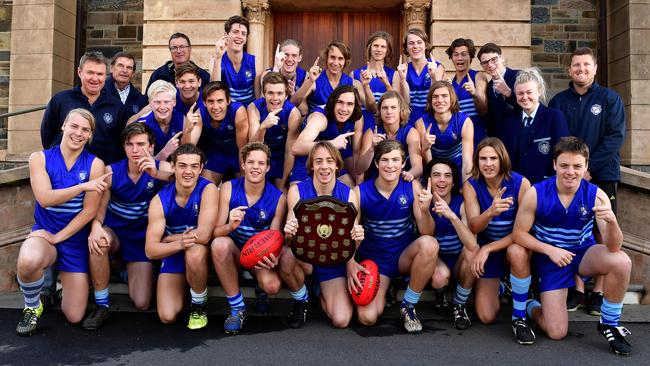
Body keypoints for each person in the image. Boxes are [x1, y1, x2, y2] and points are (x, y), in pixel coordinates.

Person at [513, 136, 632, 356]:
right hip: (550, 259)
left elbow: (614, 247)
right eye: (565, 165)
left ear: (586, 167)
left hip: (582, 253)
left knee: (622, 261)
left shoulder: (596, 195)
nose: (570, 172)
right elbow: (519, 234)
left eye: (577, 166)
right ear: (555, 165)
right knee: (556, 332)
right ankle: (531, 304)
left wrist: (613, 223)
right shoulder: (536, 193)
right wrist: (550, 250)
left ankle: (610, 324)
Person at [16, 109, 107, 336]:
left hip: (73, 238)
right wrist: (81, 187)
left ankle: (60, 287)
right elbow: (45, 198)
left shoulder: (95, 165)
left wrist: (59, 238)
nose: (78, 133)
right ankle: (32, 305)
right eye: (74, 126)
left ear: (90, 135)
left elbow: (88, 212)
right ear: (63, 127)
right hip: (45, 231)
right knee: (28, 260)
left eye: (85, 130)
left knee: (74, 315)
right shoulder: (40, 158)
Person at [549, 47, 625, 314]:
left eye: (586, 65)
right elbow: (557, 140)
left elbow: (615, 138)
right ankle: (577, 289)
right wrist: (571, 169)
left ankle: (598, 292)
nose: (581, 70)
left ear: (594, 68)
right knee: (573, 230)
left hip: (601, 176)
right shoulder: (559, 101)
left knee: (601, 231)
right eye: (576, 66)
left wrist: (588, 169)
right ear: (569, 70)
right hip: (568, 178)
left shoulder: (609, 99)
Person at [83, 123, 172, 330]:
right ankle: (102, 304)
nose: (135, 149)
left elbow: (181, 178)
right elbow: (101, 208)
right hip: (115, 232)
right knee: (98, 240)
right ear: (124, 147)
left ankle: (123, 270)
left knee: (142, 303)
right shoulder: (111, 171)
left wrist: (156, 172)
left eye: (141, 144)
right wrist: (96, 226)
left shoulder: (160, 169)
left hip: (141, 239)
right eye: (130, 144)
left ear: (151, 147)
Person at [354, 140, 438, 333]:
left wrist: (425, 212)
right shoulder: (360, 192)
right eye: (384, 160)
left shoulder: (412, 187)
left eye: (395, 160)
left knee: (429, 244)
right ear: (376, 163)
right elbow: (352, 235)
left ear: (403, 163)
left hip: (402, 257)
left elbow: (427, 232)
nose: (390, 165)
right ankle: (388, 287)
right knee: (367, 318)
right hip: (375, 262)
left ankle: (408, 305)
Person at [280, 142, 364, 329]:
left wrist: (357, 239)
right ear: (311, 166)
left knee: (341, 320)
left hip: (333, 262)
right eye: (318, 161)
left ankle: (318, 290)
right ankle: (301, 299)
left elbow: (351, 241)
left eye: (329, 161)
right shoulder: (297, 191)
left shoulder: (349, 195)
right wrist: (289, 232)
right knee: (286, 256)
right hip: (305, 258)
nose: (324, 166)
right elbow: (289, 240)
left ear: (337, 165)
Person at [462, 137, 535, 345]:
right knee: (486, 316)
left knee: (517, 251)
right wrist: (490, 212)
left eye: (493, 158)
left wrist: (487, 248)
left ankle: (519, 318)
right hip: (490, 251)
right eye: (483, 158)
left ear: (502, 159)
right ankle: (505, 286)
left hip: (512, 246)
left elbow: (523, 233)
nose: (488, 164)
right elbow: (474, 226)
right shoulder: (471, 185)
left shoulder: (521, 183)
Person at [210, 142, 287, 334]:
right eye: (250, 162)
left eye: (261, 163)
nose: (255, 167)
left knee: (272, 286)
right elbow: (215, 233)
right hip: (234, 252)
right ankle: (237, 308)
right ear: (242, 164)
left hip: (258, 256)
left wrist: (272, 259)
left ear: (268, 167)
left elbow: (275, 239)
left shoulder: (278, 198)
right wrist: (230, 225)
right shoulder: (228, 188)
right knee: (219, 244)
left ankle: (260, 286)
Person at [145, 144, 218, 329]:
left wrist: (171, 239)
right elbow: (151, 250)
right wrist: (179, 244)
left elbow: (203, 235)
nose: (188, 171)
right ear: (173, 167)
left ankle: (198, 305)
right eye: (182, 165)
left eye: (194, 166)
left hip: (201, 252)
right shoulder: (160, 200)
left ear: (201, 168)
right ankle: (187, 287)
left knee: (194, 252)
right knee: (167, 316)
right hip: (176, 253)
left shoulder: (208, 189)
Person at [41, 51, 127, 165]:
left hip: (102, 173)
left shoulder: (116, 106)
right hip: (64, 173)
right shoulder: (60, 100)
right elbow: (47, 136)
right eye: (90, 73)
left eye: (100, 74)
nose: (95, 78)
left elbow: (121, 142)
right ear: (79, 72)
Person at [423, 157, 479, 330]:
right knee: (440, 278)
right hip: (436, 260)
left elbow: (471, 244)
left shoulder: (461, 204)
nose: (442, 180)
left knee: (472, 252)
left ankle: (460, 305)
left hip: (459, 260)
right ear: (429, 180)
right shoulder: (423, 202)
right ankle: (440, 295)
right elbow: (425, 236)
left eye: (447, 176)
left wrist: (452, 216)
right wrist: (425, 211)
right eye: (437, 175)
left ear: (454, 182)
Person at [500, 68, 569, 184]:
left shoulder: (554, 117)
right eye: (520, 93)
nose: (525, 97)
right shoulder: (510, 122)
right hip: (517, 187)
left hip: (546, 186)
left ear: (539, 91)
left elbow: (563, 153)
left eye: (529, 92)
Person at [290, 85, 363, 186]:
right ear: (333, 102)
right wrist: (332, 144)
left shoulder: (356, 118)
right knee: (298, 196)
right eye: (340, 102)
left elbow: (356, 152)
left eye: (350, 104)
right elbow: (297, 147)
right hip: (307, 159)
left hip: (332, 159)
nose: (344, 109)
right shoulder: (320, 118)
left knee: (351, 190)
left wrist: (359, 185)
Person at [248, 72, 302, 190]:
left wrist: (283, 183)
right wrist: (263, 127)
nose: (275, 98)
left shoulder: (293, 114)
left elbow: (290, 152)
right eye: (270, 93)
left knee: (282, 194)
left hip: (282, 157)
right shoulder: (254, 108)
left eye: (279, 93)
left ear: (286, 96)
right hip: (262, 157)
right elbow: (253, 147)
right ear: (264, 94)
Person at [356, 91, 422, 182]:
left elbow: (418, 167)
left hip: (401, 180)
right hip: (376, 181)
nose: (389, 111)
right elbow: (359, 169)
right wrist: (371, 148)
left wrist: (410, 174)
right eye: (385, 108)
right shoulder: (371, 133)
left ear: (400, 110)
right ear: (380, 111)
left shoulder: (411, 133)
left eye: (393, 107)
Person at [415, 80, 474, 181]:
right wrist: (425, 148)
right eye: (435, 96)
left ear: (452, 99)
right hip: (434, 165)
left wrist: (465, 186)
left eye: (444, 96)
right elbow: (428, 163)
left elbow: (467, 162)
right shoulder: (421, 123)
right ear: (430, 100)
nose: (440, 100)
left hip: (457, 164)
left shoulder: (464, 122)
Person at [195, 81, 249, 185]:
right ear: (204, 103)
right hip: (216, 154)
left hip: (236, 153)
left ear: (228, 101)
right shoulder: (200, 113)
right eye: (211, 101)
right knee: (202, 187)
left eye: (220, 101)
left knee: (242, 187)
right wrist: (188, 129)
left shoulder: (238, 112)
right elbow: (188, 146)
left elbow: (243, 147)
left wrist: (244, 177)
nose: (215, 107)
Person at [133, 80, 199, 161]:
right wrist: (166, 151)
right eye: (157, 102)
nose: (162, 107)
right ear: (150, 103)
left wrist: (187, 131)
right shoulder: (142, 126)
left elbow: (187, 155)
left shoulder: (182, 120)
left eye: (167, 102)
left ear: (174, 102)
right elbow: (144, 166)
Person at [351, 31, 399, 132]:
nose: (379, 50)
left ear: (387, 50)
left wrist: (386, 82)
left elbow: (398, 102)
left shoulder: (394, 74)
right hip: (364, 123)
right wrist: (365, 85)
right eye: (375, 46)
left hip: (388, 124)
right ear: (369, 48)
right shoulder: (355, 74)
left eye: (383, 47)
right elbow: (371, 108)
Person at [291, 41, 355, 116]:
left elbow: (371, 108)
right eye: (332, 57)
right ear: (326, 58)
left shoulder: (352, 83)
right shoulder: (315, 80)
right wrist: (310, 81)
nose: (335, 63)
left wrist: (366, 86)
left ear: (345, 62)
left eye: (340, 59)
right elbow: (293, 103)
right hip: (315, 123)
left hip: (339, 126)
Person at [396, 28, 445, 126]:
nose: (415, 46)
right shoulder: (402, 70)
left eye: (419, 42)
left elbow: (437, 98)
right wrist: (402, 80)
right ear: (406, 48)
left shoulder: (437, 67)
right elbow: (405, 103)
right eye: (411, 43)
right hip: (410, 122)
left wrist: (434, 78)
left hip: (432, 120)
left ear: (426, 45)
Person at [212, 15, 261, 106]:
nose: (239, 36)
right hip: (227, 110)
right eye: (235, 32)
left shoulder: (254, 62)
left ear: (246, 39)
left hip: (249, 110)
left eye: (243, 34)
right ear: (226, 35)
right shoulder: (216, 60)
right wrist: (218, 58)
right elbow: (214, 91)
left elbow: (258, 96)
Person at [447, 38, 488, 146]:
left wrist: (474, 93)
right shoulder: (450, 83)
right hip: (456, 141)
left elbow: (484, 110)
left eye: (464, 54)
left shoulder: (478, 77)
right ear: (451, 57)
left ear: (470, 57)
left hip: (477, 138)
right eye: (455, 54)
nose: (459, 58)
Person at [477, 43, 520, 137]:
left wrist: (508, 93)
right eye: (485, 62)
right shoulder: (488, 87)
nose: (490, 64)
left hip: (520, 136)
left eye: (494, 59)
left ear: (501, 58)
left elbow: (531, 105)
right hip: (498, 141)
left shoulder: (518, 76)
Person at [145, 32, 210, 95]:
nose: (178, 51)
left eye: (182, 47)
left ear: (190, 49)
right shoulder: (158, 75)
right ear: (170, 50)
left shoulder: (203, 76)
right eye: (174, 48)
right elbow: (148, 101)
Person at [261, 39, 308, 115]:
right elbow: (262, 105)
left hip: (293, 120)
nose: (289, 59)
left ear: (300, 58)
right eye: (286, 55)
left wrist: (293, 93)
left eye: (294, 55)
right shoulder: (267, 74)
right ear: (279, 56)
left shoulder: (305, 76)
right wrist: (276, 69)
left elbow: (304, 111)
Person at [104, 52, 148, 117]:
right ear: (111, 68)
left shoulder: (140, 99)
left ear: (133, 73)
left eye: (129, 67)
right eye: (121, 66)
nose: (125, 70)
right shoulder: (100, 92)